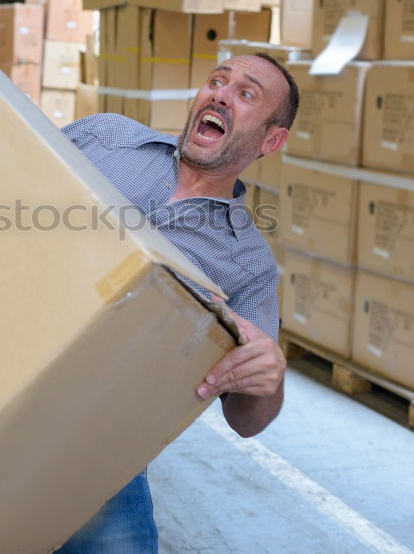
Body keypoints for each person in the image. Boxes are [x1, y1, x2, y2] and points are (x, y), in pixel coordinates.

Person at [57, 53, 300, 553]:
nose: (220, 94)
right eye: (217, 81)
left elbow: (247, 421)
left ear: (271, 141)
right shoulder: (105, 137)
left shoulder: (247, 267)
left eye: (246, 93)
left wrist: (266, 379)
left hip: (96, 447)